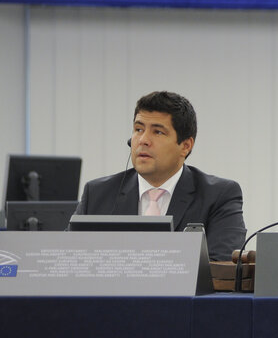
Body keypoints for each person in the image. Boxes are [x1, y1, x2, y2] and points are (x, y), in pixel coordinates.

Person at [73, 91, 246, 261]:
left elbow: (222, 269)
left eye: (158, 132)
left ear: (185, 146)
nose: (143, 140)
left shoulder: (218, 195)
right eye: (138, 129)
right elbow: (69, 258)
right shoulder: (97, 194)